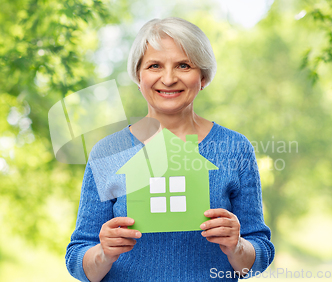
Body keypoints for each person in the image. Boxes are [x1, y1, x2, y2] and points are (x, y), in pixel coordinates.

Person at [66, 17, 274, 282]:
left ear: (203, 77)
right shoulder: (108, 152)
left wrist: (238, 247)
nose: (168, 78)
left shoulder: (235, 149)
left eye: (183, 65)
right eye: (154, 65)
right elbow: (77, 259)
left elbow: (258, 256)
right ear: (138, 76)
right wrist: (103, 253)